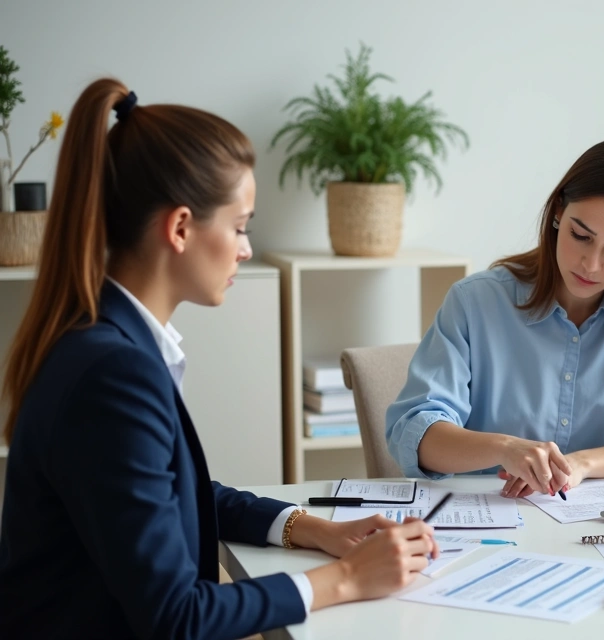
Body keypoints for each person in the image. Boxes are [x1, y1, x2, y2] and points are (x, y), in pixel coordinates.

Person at [0, 79, 439, 639]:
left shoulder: (108, 340)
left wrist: (312, 529)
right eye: (239, 226)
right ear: (180, 227)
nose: (247, 247)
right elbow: (176, 617)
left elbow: (172, 494)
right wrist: (346, 580)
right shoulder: (113, 372)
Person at [386, 135, 604, 498]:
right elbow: (412, 432)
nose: (592, 264)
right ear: (557, 212)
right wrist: (505, 449)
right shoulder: (476, 302)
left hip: (598, 531)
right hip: (486, 520)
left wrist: (582, 464)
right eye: (580, 235)